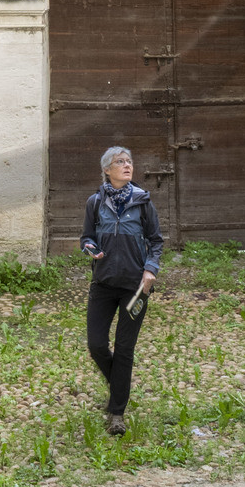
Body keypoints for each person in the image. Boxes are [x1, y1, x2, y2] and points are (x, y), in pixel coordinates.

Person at [80, 145, 163, 435]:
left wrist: (151, 269)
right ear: (107, 170)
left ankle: (117, 413)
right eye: (119, 162)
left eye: (129, 161)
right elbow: (87, 236)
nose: (127, 165)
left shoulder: (142, 202)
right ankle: (119, 385)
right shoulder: (95, 202)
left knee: (125, 350)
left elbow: (156, 240)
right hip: (102, 284)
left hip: (135, 287)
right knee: (96, 345)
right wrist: (90, 247)